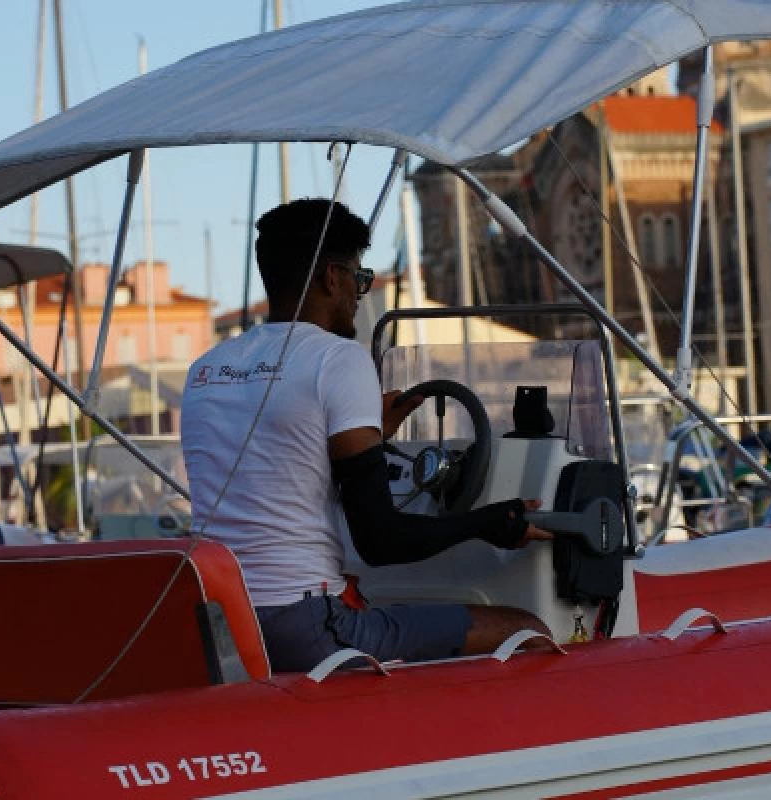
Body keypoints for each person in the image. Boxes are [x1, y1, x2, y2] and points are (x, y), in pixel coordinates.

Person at [181, 198, 551, 673]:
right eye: (359, 279)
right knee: (527, 630)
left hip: (221, 621)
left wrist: (372, 437)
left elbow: (278, 477)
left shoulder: (205, 370)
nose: (360, 293)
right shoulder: (338, 359)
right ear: (331, 277)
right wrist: (490, 524)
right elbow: (381, 540)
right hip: (304, 626)